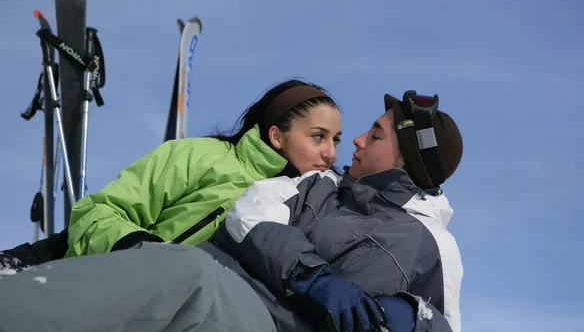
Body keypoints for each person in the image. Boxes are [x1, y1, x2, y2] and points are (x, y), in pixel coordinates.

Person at [200, 90, 464, 332]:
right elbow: (249, 214)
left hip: (255, 331)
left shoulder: (435, 245)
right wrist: (311, 275)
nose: (358, 140)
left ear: (407, 158)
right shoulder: (321, 184)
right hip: (209, 280)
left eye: (375, 136)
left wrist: (409, 319)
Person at [0, 79, 342, 271]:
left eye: (335, 140)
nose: (331, 152)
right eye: (318, 136)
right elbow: (99, 213)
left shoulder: (315, 204)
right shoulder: (200, 156)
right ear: (276, 136)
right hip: (82, 274)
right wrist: (145, 251)